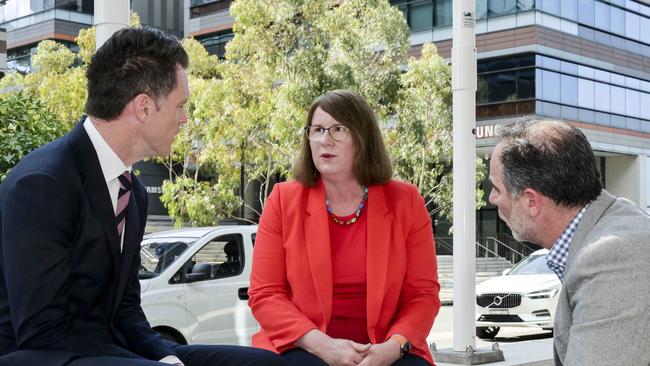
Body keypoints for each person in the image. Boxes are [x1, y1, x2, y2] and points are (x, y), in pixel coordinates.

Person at [0, 27, 288, 366]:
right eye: (181, 106)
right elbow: (42, 332)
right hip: (41, 355)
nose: (185, 119)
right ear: (144, 107)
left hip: (109, 350)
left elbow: (126, 311)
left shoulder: (132, 192)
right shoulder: (44, 184)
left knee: (263, 364)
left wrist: (165, 358)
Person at [248, 89, 440, 366]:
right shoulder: (282, 199)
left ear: (363, 139)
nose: (325, 140)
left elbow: (422, 295)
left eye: (338, 129)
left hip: (385, 346)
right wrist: (322, 345)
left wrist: (392, 347)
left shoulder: (406, 201)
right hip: (303, 345)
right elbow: (265, 294)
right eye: (317, 130)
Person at [488, 120, 650, 366]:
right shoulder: (610, 224)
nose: (491, 199)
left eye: (496, 188)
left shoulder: (611, 255)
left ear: (531, 201)